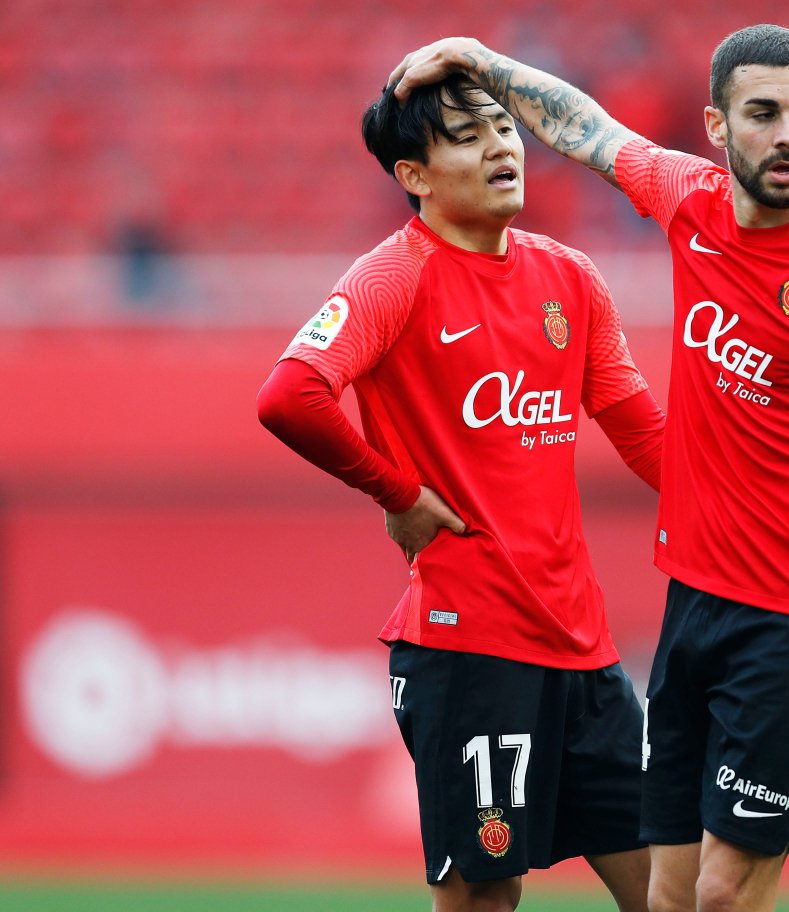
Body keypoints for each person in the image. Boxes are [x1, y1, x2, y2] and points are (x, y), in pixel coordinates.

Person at [387, 24, 789, 912]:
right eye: (763, 113)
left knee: (726, 896)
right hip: (694, 605)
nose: (788, 135)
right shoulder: (689, 201)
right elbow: (585, 129)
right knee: (669, 899)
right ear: (716, 125)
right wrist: (481, 59)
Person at [256, 72, 664, 912]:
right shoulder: (393, 277)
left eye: (504, 128)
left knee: (672, 893)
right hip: (470, 650)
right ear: (415, 174)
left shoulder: (571, 277)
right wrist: (396, 492)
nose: (502, 147)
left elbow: (644, 436)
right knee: (485, 898)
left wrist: (758, 499)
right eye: (469, 136)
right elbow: (289, 395)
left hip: (584, 651)